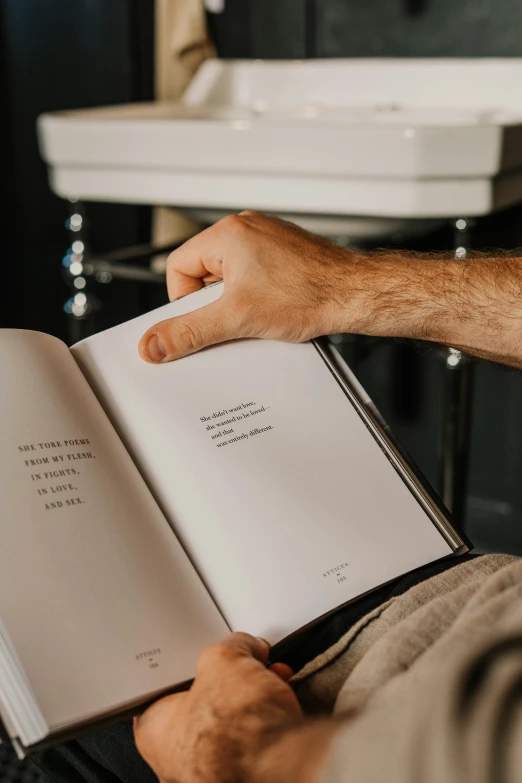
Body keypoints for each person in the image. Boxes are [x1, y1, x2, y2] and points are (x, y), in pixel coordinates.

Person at [34, 212, 522, 783]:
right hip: (458, 607)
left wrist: (248, 756)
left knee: (64, 717)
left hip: (375, 690)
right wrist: (342, 283)